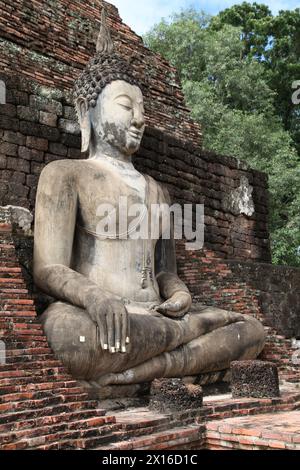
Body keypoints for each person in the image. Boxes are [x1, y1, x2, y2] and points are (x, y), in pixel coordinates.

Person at [33, 10, 265, 388]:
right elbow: (48, 268)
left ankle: (141, 373)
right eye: (127, 106)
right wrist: (95, 298)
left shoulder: (159, 190)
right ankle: (181, 356)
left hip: (156, 318)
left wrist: (179, 292)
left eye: (143, 109)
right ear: (88, 113)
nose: (140, 119)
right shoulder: (64, 174)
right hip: (97, 317)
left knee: (251, 330)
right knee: (65, 338)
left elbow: (163, 270)